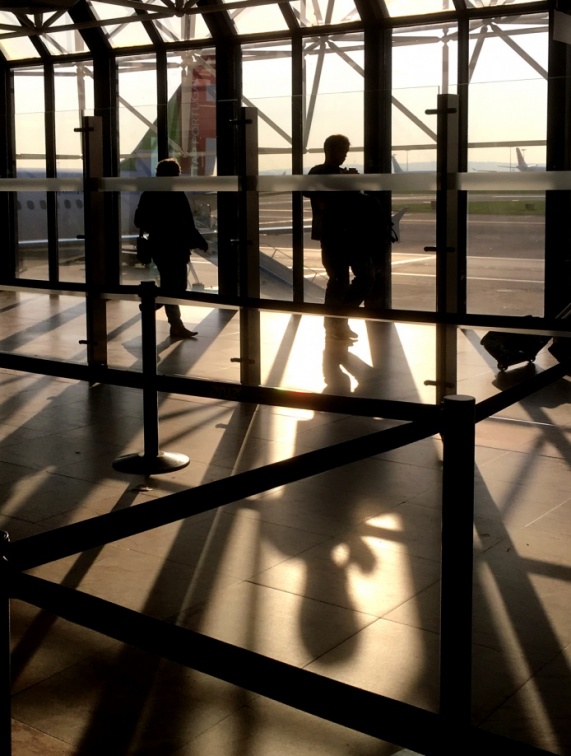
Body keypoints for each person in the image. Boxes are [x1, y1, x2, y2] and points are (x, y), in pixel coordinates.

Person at [307, 134, 376, 341]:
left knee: (351, 280)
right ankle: (337, 322)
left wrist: (351, 182)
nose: (344, 156)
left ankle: (337, 321)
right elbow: (317, 196)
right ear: (329, 151)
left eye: (346, 152)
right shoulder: (319, 172)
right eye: (342, 151)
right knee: (342, 281)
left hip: (346, 235)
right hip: (334, 235)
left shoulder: (332, 173)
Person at [134, 158, 209, 340]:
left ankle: (154, 305)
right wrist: (199, 241)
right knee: (176, 287)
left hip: (160, 246)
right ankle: (174, 323)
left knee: (172, 286)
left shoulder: (149, 194)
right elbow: (186, 223)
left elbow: (139, 221)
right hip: (174, 247)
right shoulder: (176, 194)